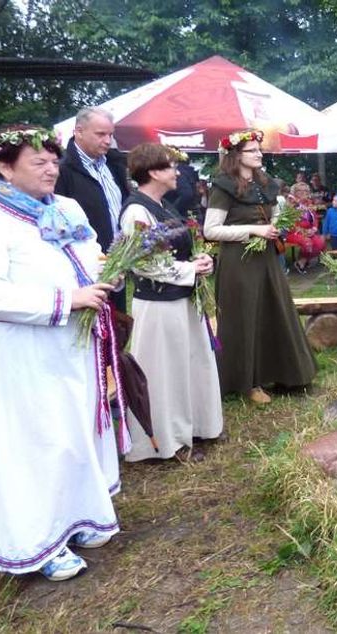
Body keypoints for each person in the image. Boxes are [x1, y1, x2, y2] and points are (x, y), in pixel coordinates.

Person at [0, 126, 122, 581]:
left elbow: (92, 254)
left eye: (54, 162)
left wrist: (108, 274)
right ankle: (38, 542)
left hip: (72, 348)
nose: (51, 169)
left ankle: (76, 518)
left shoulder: (67, 206)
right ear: (5, 167)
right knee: (35, 442)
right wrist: (67, 301)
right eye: (38, 162)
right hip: (23, 352)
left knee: (73, 431)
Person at [119, 143, 222, 462]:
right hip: (158, 305)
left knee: (191, 363)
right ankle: (164, 440)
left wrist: (200, 259)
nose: (177, 172)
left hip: (182, 299)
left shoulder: (163, 205)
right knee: (164, 372)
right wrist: (191, 269)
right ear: (153, 172)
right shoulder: (137, 211)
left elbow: (179, 249)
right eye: (170, 167)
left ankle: (196, 427)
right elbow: (143, 263)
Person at [204, 129, 316, 404]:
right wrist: (254, 230)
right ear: (236, 156)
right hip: (238, 262)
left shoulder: (266, 183)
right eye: (252, 151)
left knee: (273, 310)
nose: (259, 154)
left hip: (266, 258)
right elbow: (211, 230)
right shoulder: (223, 186)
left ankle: (283, 372)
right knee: (245, 316)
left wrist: (279, 226)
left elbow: (275, 218)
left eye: (258, 149)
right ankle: (247, 382)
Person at [55, 106, 130, 312]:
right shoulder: (62, 170)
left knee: (118, 327)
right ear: (78, 131)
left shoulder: (114, 164)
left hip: (118, 262)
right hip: (84, 267)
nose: (107, 140)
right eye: (100, 134)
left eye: (110, 134)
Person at [284, 181, 326, 273]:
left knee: (320, 243)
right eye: (300, 191)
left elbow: (314, 218)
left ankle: (302, 261)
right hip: (294, 232)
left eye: (306, 191)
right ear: (295, 192)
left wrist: (314, 229)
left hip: (308, 231)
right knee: (307, 242)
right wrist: (302, 231)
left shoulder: (309, 203)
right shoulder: (291, 203)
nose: (304, 193)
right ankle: (302, 262)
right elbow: (289, 221)